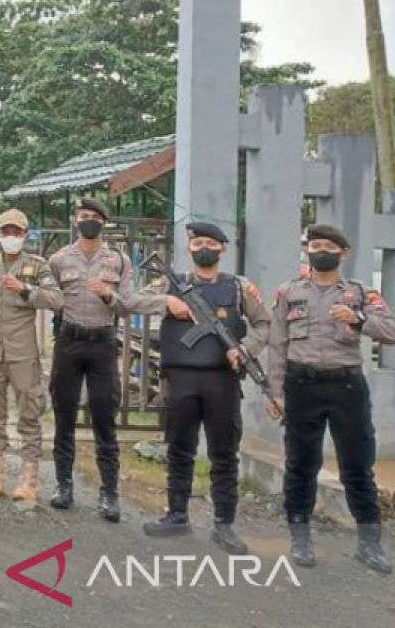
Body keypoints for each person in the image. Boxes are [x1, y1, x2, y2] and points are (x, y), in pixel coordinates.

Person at [268, 223, 395, 574]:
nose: (321, 250)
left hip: (346, 387)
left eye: (329, 245)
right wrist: (275, 391)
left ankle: (369, 544)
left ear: (344, 254)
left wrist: (359, 320)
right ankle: (300, 537)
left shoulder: (361, 294)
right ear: (306, 251)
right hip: (302, 385)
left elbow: (394, 332)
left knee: (357, 465)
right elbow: (278, 345)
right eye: (315, 245)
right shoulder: (287, 292)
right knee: (300, 463)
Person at [137, 222, 270, 554]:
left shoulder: (239, 287)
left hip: (222, 382)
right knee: (179, 449)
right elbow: (131, 301)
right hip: (180, 380)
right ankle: (177, 514)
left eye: (211, 242)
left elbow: (264, 323)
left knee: (224, 454)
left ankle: (224, 524)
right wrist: (167, 302)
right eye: (198, 242)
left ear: (223, 249)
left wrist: (246, 349)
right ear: (189, 248)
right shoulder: (171, 282)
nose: (204, 247)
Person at [47, 197, 152, 522]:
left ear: (103, 222)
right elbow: (50, 298)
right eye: (83, 215)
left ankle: (109, 493)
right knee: (63, 415)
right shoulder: (59, 258)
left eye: (93, 216)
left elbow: (127, 305)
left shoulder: (118, 260)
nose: (87, 220)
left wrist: (109, 295)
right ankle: (64, 485)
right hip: (69, 341)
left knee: (105, 418)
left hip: (103, 343)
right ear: (75, 220)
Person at [0, 208, 62, 502]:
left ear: (25, 234)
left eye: (16, 232)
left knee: (29, 417)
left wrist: (24, 289)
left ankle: (29, 481)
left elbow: (56, 300)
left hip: (22, 355)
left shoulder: (37, 266)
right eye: (5, 231)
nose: (10, 236)